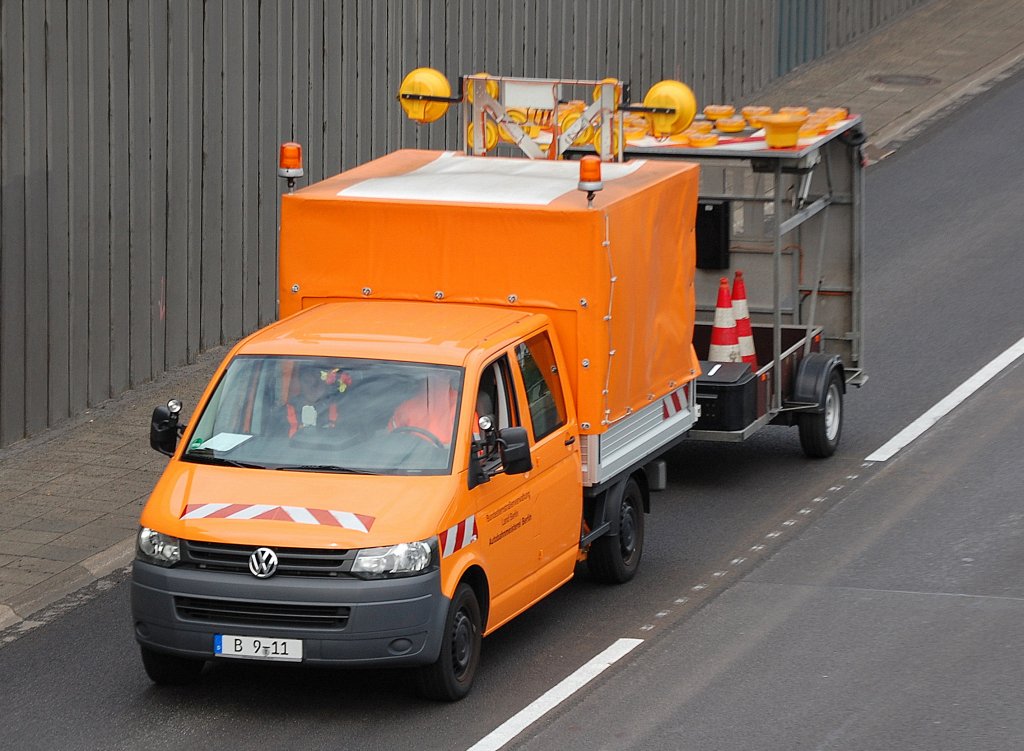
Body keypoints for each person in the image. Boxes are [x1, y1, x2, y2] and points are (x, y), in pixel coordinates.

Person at [389, 371, 459, 445]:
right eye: (428, 381)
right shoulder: (406, 408)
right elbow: (392, 437)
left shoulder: (461, 405)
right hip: (416, 453)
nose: (432, 386)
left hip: (444, 454)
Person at [282, 363, 348, 437]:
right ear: (300, 383)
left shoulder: (342, 410)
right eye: (307, 382)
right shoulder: (284, 413)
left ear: (325, 384)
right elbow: (276, 443)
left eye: (317, 382)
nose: (312, 387)